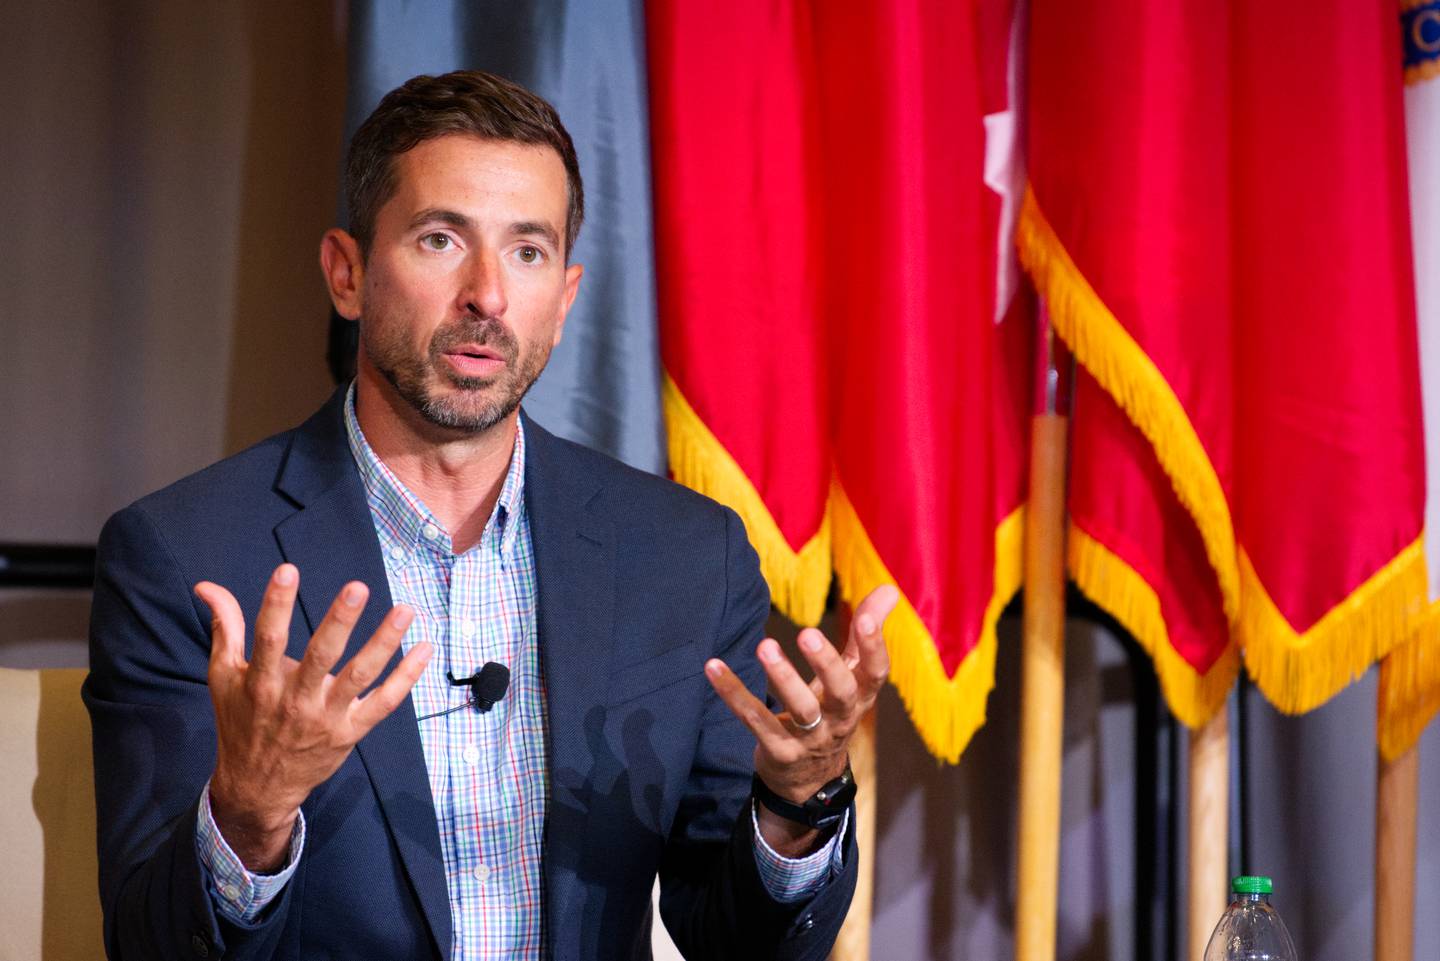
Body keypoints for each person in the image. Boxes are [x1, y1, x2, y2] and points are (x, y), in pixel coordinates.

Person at [84, 70, 897, 961]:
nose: (489, 295)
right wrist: (248, 813)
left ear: (566, 299)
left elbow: (743, 945)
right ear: (347, 274)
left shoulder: (686, 556)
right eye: (440, 239)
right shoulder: (183, 555)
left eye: (527, 251)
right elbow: (148, 944)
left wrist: (796, 804)